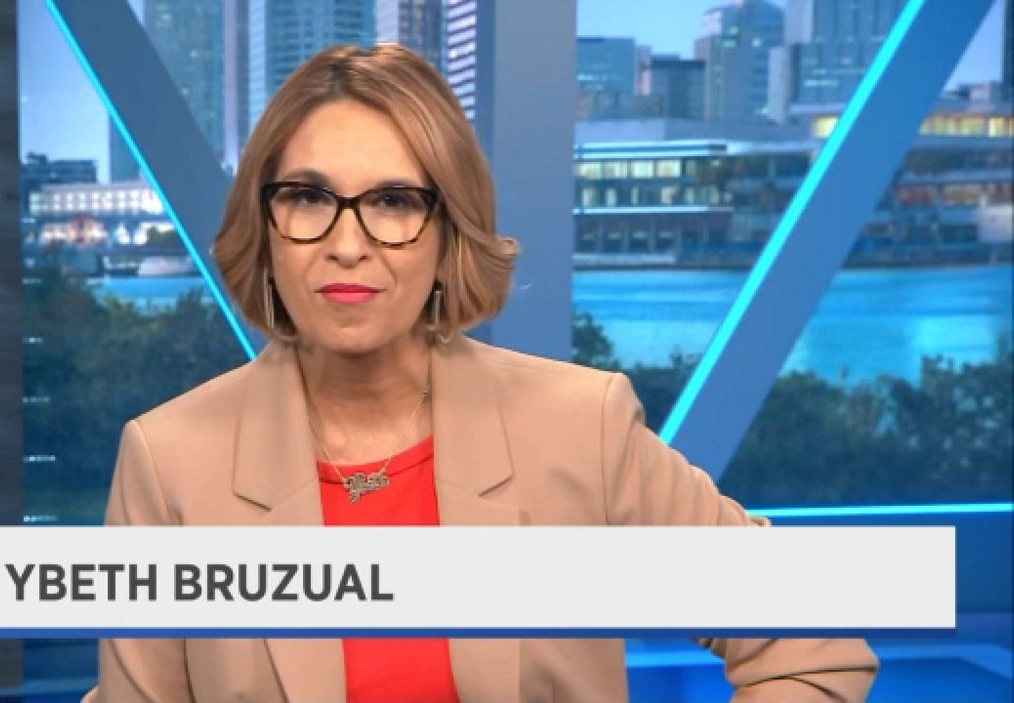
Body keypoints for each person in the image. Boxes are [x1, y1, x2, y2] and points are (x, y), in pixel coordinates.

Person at [82, 43, 878, 703]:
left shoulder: (581, 428)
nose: (347, 244)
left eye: (394, 202)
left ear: (447, 233)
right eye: (308, 198)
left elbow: (813, 641)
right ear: (266, 227)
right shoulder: (169, 461)